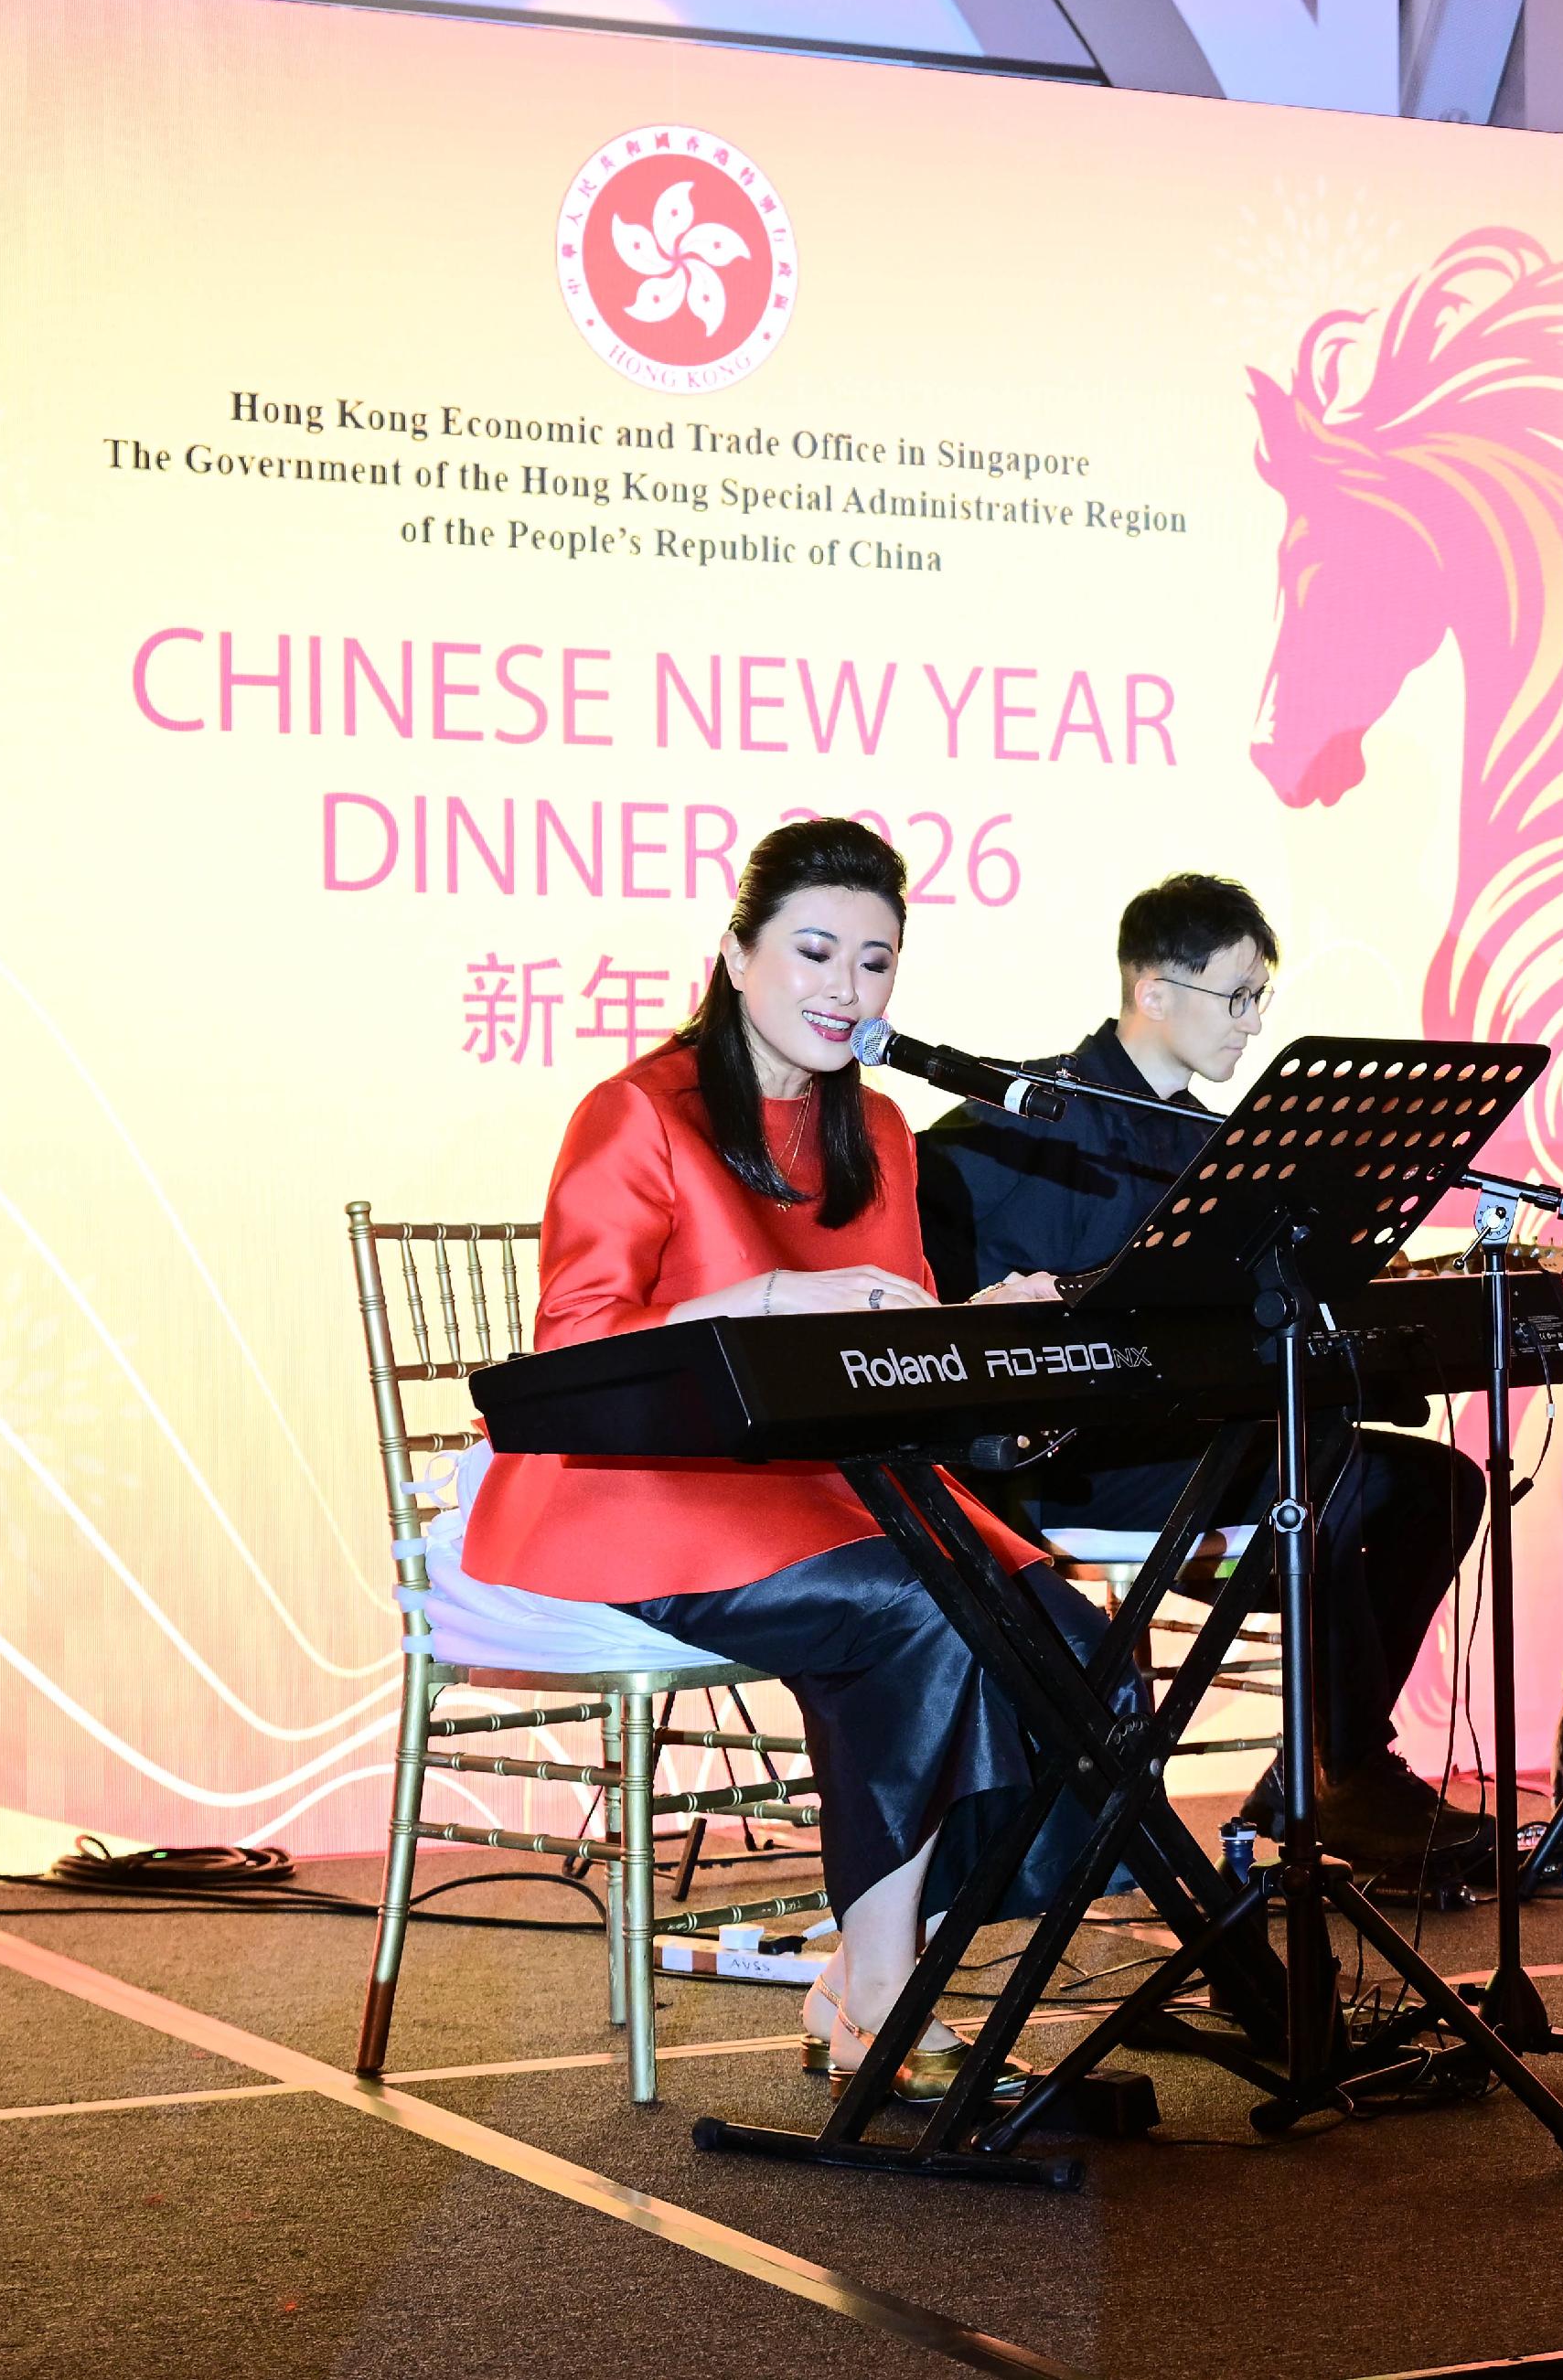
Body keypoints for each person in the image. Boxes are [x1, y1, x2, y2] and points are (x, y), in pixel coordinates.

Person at [458, 816, 1095, 2099]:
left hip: (830, 1492)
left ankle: (877, 1980)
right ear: (738, 954)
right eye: (814, 950)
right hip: (633, 1494)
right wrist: (765, 1302)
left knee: (1051, 1620)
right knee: (921, 1615)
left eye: (875, 964)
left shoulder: (889, 1135)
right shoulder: (640, 1110)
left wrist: (983, 1337)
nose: (844, 990)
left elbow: (896, 1355)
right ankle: (877, 1994)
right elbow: (575, 1350)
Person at [918, 872, 1494, 1877]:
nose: (1253, 1024)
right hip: (1071, 1461)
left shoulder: (1213, 1141)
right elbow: (954, 1326)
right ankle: (1342, 1774)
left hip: (1206, 1441)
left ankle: (1322, 1764)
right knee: (1330, 1477)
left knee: (1440, 1485)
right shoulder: (1007, 1124)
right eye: (1236, 997)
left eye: (1261, 999)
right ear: (1153, 991)